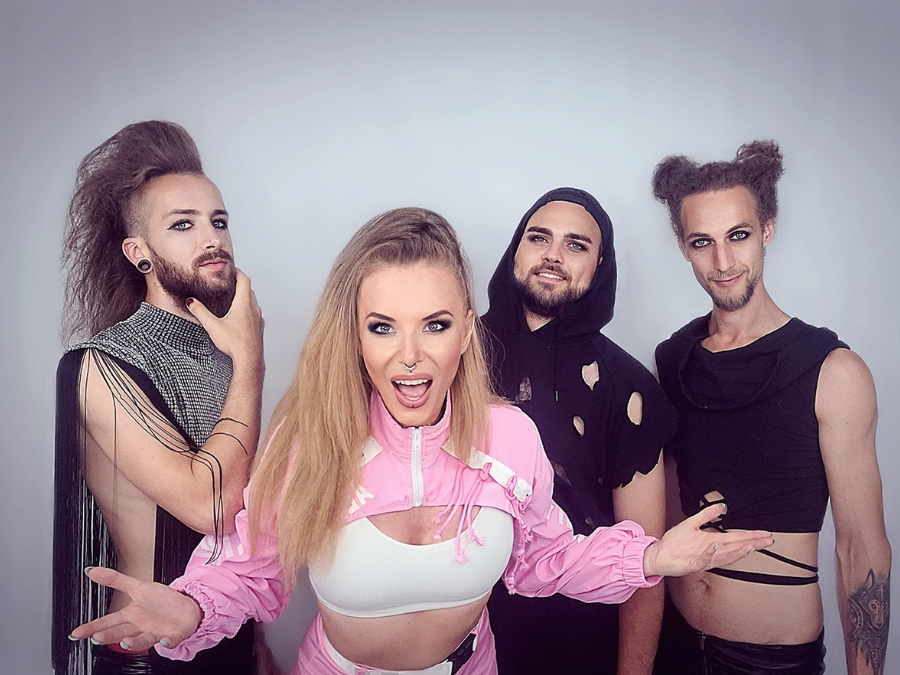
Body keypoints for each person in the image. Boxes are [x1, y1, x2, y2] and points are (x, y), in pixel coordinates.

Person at [69, 208, 772, 675]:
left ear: (466, 330)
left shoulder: (510, 436)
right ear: (355, 336)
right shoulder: (312, 441)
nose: (410, 357)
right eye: (383, 327)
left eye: (434, 325)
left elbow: (543, 559)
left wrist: (653, 555)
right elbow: (253, 570)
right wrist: (188, 608)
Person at [651, 141, 891, 675]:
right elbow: (658, 514)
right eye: (702, 242)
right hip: (675, 639)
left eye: (738, 235)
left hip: (770, 660)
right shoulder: (672, 359)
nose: (723, 262)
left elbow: (861, 549)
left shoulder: (832, 371)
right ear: (683, 247)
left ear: (767, 230)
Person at [53, 121, 265, 674]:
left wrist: (256, 640)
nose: (212, 239)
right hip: (148, 655)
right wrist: (252, 361)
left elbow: (241, 525)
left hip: (225, 633)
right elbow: (211, 509)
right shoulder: (101, 365)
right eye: (183, 224)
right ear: (139, 253)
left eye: (219, 221)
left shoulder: (224, 351)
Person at [482, 188, 677, 674]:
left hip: (578, 643)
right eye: (539, 238)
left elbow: (646, 557)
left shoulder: (628, 386)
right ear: (515, 250)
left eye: (576, 244)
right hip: (456, 638)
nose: (553, 255)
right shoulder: (453, 354)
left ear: (599, 265)